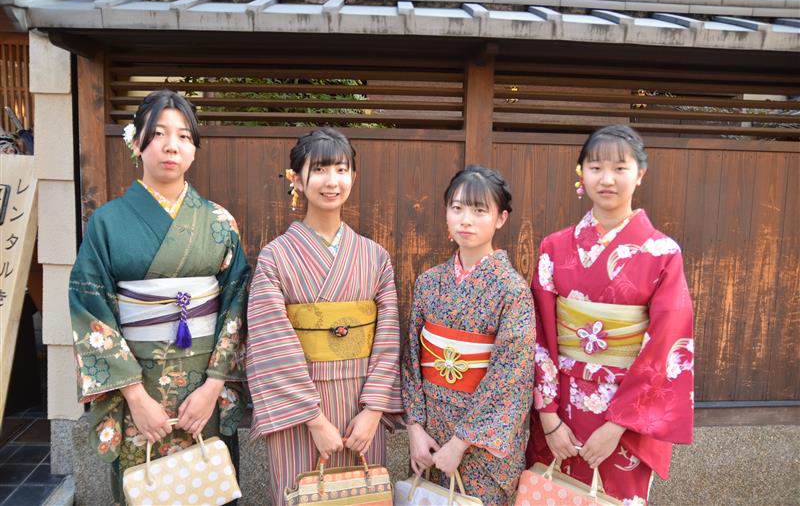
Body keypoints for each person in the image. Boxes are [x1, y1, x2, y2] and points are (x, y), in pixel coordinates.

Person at [69, 89, 250, 504]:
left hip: (205, 388)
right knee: (145, 488)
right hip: (138, 387)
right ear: (137, 143)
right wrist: (135, 397)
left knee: (211, 485)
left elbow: (237, 302)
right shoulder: (107, 222)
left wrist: (214, 386)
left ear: (194, 149)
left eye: (184, 136)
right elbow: (90, 307)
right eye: (159, 134)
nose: (172, 146)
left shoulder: (220, 222)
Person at [527, 125, 694, 505]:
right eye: (596, 167)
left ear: (640, 174)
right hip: (561, 410)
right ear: (581, 174)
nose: (606, 179)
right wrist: (548, 418)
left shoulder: (663, 253)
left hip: (625, 415)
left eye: (620, 168)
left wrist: (618, 425)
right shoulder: (554, 247)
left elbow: (667, 344)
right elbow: (539, 336)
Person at [246, 127, 402, 505]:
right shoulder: (275, 257)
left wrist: (373, 411)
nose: (332, 181)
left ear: (353, 177)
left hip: (360, 408)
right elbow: (270, 345)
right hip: (299, 413)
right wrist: (314, 420)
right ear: (297, 179)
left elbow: (387, 339)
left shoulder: (375, 257)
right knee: (301, 493)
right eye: (319, 170)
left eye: (341, 170)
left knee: (362, 496)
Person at [402, 165, 536, 505]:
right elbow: (412, 361)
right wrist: (415, 428)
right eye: (457, 208)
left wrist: (461, 442)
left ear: (501, 218)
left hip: (481, 446)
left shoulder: (512, 290)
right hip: (430, 437)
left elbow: (511, 377)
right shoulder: (429, 282)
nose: (466, 220)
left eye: (479, 210)